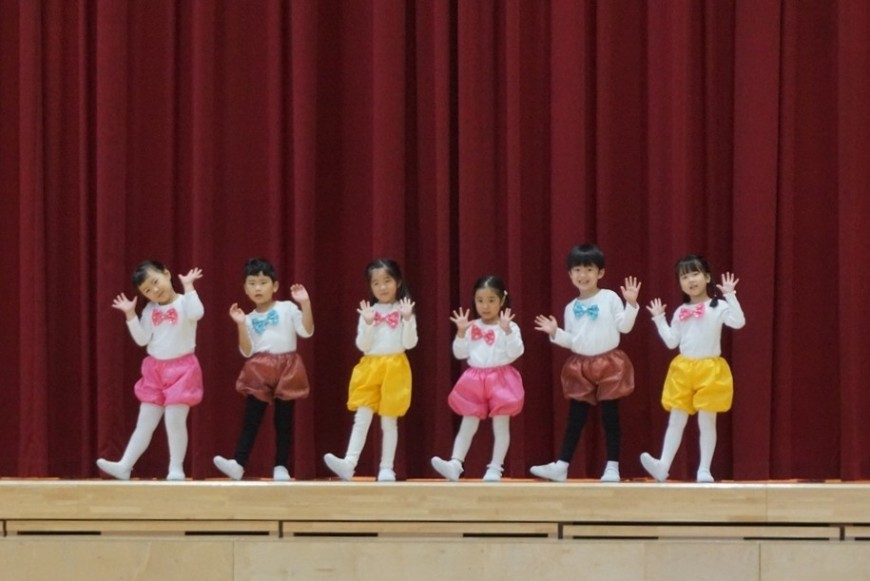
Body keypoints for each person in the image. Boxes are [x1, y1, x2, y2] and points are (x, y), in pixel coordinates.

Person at [530, 244, 641, 483]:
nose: (583, 275)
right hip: (581, 365)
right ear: (570, 274)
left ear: (600, 272)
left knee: (610, 417)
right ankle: (561, 466)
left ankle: (612, 467)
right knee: (576, 418)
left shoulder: (609, 297)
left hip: (610, 363)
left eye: (589, 269)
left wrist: (631, 305)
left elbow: (624, 327)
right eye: (577, 270)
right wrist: (555, 332)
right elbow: (572, 340)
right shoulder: (570, 308)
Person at [640, 255, 745, 483]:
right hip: (683, 369)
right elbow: (671, 341)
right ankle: (663, 465)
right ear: (680, 284)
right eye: (684, 276)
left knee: (707, 421)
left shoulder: (719, 306)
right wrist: (659, 319)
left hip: (710, 369)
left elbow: (738, 322)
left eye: (695, 274)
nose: (691, 280)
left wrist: (730, 295)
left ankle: (704, 470)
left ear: (707, 277)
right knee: (676, 419)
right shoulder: (680, 311)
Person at [97, 260, 204, 481]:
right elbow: (142, 339)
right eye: (147, 290)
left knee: (174, 421)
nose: (154, 290)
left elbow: (197, 313)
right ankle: (125, 465)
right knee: (145, 422)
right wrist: (130, 315)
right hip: (155, 371)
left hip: (182, 370)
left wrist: (189, 287)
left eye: (155, 282)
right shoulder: (149, 310)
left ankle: (176, 468)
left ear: (167, 274)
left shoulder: (185, 302)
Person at [213, 258, 314, 481]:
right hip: (260, 368)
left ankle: (281, 466)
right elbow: (247, 351)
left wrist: (305, 303)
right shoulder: (248, 318)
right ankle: (238, 463)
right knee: (252, 418)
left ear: (274, 286)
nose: (257, 288)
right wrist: (241, 324)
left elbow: (306, 331)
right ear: (245, 289)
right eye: (252, 283)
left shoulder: (287, 308)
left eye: (263, 282)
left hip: (287, 367)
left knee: (283, 420)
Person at [323, 258, 417, 482]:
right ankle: (349, 463)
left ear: (398, 282)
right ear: (370, 287)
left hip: (395, 366)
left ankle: (387, 468)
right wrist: (367, 323)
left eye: (387, 281)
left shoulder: (404, 310)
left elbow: (410, 343)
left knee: (389, 421)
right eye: (376, 283)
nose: (382, 287)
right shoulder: (368, 311)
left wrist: (407, 319)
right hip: (370, 366)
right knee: (362, 416)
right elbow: (363, 346)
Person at [431, 275, 525, 482]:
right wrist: (461, 333)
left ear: (502, 301)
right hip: (474, 379)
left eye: (491, 300)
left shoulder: (509, 326)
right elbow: (460, 354)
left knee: (501, 425)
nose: (485, 306)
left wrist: (508, 331)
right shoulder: (471, 326)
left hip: (501, 378)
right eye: (480, 300)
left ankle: (495, 468)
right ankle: (455, 463)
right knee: (468, 423)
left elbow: (516, 352)